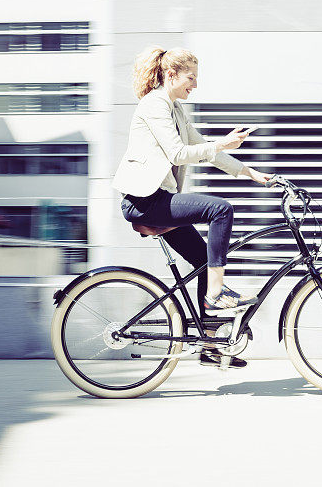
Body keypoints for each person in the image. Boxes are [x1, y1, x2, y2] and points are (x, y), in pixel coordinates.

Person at [112, 46, 272, 368]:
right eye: (191, 78)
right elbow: (177, 153)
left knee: (201, 259)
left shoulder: (174, 109)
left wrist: (251, 173)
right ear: (171, 75)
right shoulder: (154, 104)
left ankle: (209, 345)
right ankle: (215, 294)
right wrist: (220, 143)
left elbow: (206, 151)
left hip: (157, 199)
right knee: (221, 210)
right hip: (146, 200)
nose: (195, 85)